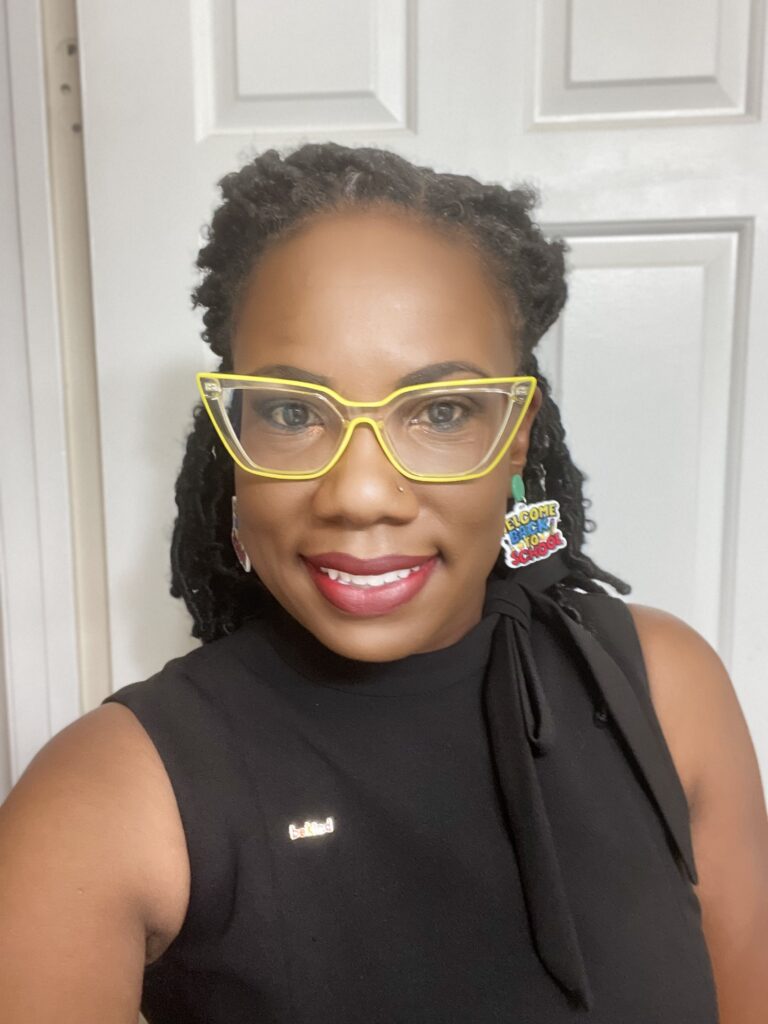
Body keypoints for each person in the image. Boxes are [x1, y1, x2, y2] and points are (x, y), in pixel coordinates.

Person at [1, 143, 766, 1024]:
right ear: (234, 433)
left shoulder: (661, 688)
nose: (360, 494)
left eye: (441, 411)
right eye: (293, 412)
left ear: (516, 436)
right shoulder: (105, 798)